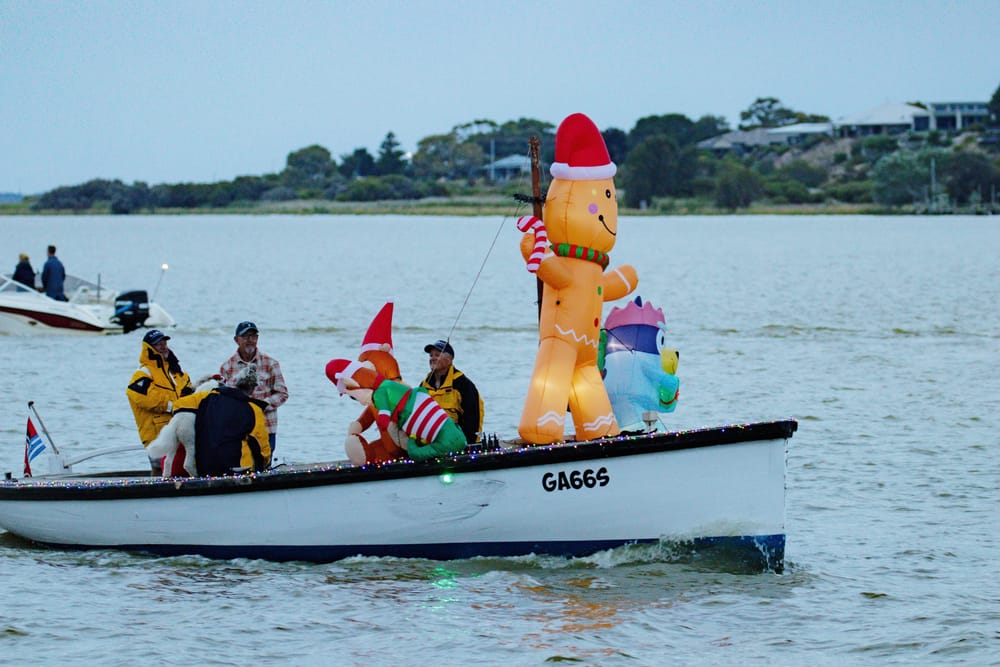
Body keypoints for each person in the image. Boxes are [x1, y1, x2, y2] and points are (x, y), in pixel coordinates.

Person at [126, 329, 194, 474]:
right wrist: (175, 406)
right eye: (158, 344)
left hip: (180, 432)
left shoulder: (177, 373)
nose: (163, 346)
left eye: (164, 343)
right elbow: (145, 398)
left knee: (181, 468)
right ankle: (156, 494)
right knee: (160, 469)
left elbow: (190, 394)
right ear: (149, 348)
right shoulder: (143, 373)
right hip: (157, 434)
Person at [219, 321, 288, 452]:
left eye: (253, 336)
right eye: (245, 336)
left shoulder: (271, 363)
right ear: (236, 340)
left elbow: (282, 393)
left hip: (266, 427)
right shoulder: (226, 367)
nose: (250, 340)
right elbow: (222, 401)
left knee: (265, 468)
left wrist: (262, 405)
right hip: (237, 431)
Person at [193, 364, 271, 476]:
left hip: (205, 466)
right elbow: (261, 443)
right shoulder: (253, 409)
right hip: (237, 468)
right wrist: (265, 463)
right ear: (253, 387)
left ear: (236, 383)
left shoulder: (210, 399)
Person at [419, 339, 484, 444]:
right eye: (431, 356)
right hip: (429, 442)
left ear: (450, 359)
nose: (433, 358)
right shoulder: (423, 385)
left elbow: (473, 418)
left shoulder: (463, 384)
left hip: (456, 442)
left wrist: (467, 445)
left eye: (437, 355)